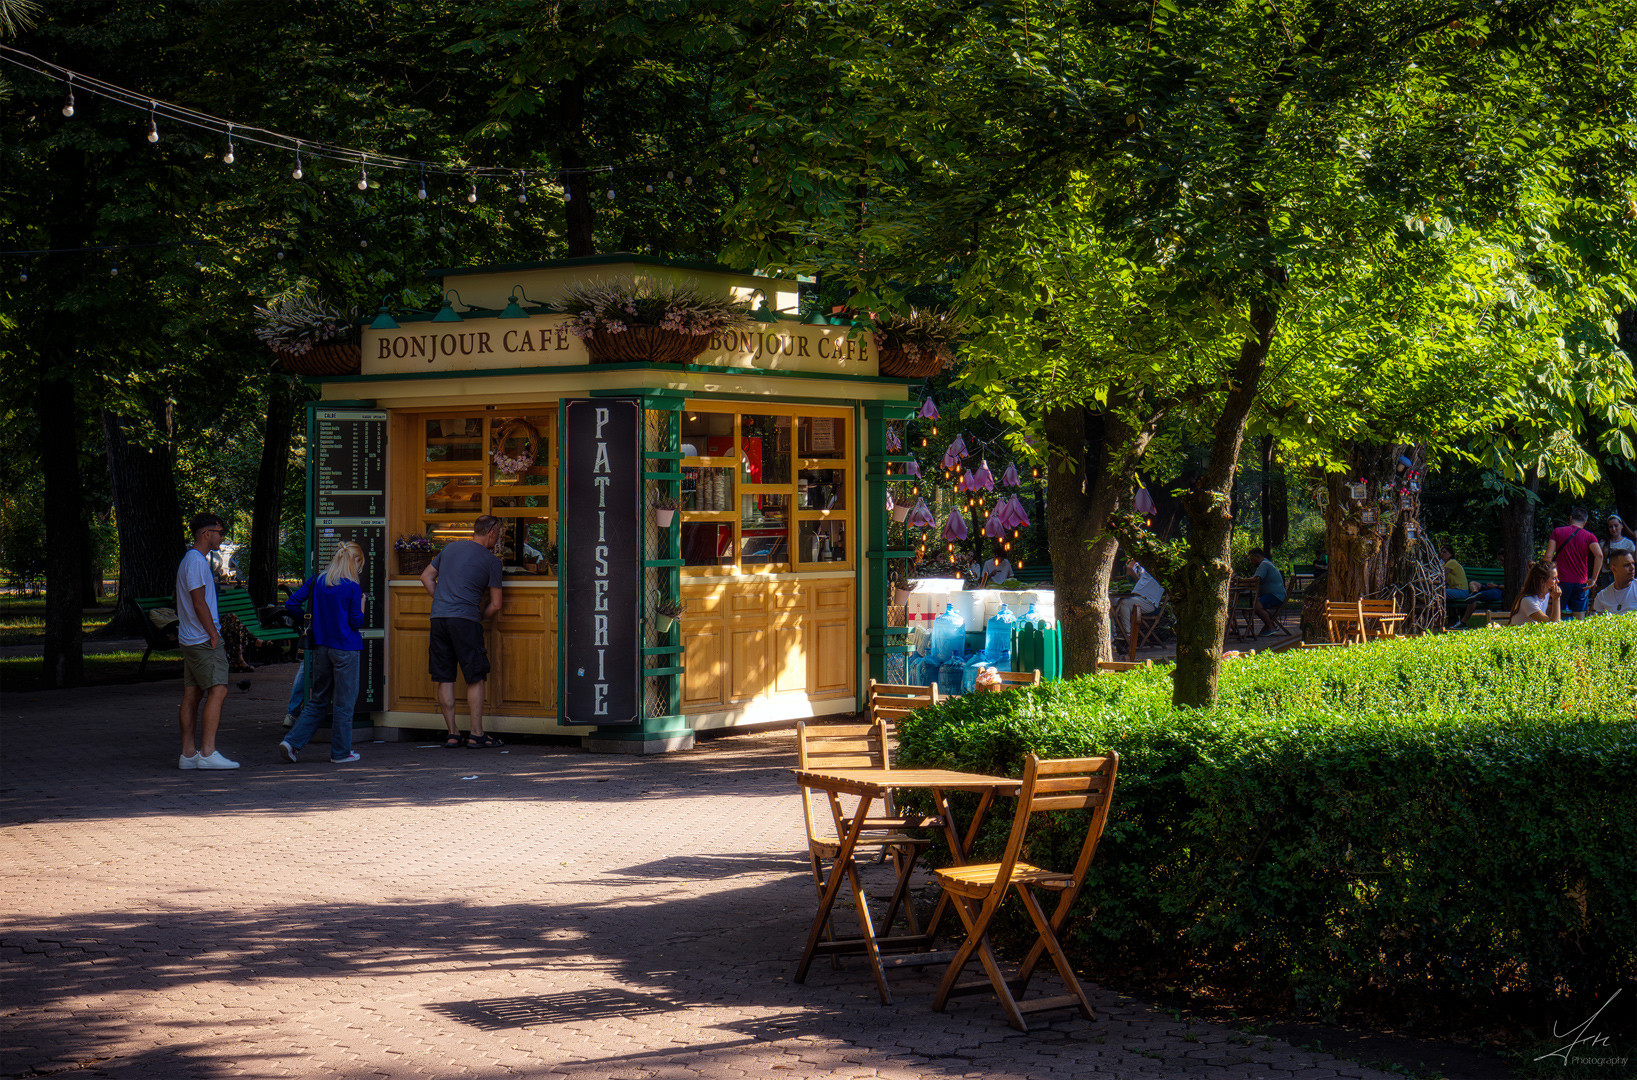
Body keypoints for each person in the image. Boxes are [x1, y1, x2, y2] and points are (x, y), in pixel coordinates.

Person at [420, 516, 505, 748]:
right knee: (475, 676)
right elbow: (496, 604)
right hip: (466, 621)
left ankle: (453, 733)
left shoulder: (449, 548)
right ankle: (476, 733)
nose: (498, 539)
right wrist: (479, 616)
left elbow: (426, 577)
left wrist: (441, 600)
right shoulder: (492, 561)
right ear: (491, 532)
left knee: (444, 677)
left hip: (439, 618)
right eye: (498, 535)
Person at [279, 542, 367, 764]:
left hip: (321, 648)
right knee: (344, 704)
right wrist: (363, 605)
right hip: (346, 648)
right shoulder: (351, 587)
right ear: (355, 562)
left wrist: (310, 623)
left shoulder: (318, 580)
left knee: (318, 700)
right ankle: (340, 753)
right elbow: (356, 622)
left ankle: (291, 742)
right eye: (360, 565)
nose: (359, 570)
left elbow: (292, 604)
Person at [175, 513, 238, 770]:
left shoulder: (191, 561)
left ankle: (189, 754)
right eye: (220, 532)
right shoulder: (196, 562)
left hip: (190, 638)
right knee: (219, 689)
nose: (221, 538)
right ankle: (208, 752)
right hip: (202, 639)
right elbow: (198, 601)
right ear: (206, 533)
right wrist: (213, 634)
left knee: (193, 693)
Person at [1543, 508, 1603, 615]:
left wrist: (1545, 578)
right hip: (1581, 583)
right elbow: (1599, 555)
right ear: (1585, 522)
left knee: (1555, 616)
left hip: (1560, 581)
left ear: (1570, 518)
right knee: (1579, 619)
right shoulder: (1590, 536)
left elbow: (1548, 556)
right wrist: (1593, 579)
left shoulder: (1557, 532)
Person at [1442, 544, 1502, 628]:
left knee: (1440, 593)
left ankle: (1473, 598)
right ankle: (1474, 594)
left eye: (1444, 552)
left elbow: (1440, 574)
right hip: (1466, 590)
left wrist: (1496, 586)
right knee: (1473, 583)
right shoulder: (1447, 564)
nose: (1442, 554)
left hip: (1463, 591)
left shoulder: (1451, 562)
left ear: (1451, 554)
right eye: (1441, 552)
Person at [1236, 548, 1285, 636]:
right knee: (1252, 604)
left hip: (1275, 596)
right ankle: (1270, 624)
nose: (1251, 562)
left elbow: (1256, 579)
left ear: (1257, 557)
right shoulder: (1266, 564)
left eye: (1252, 559)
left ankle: (1270, 627)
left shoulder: (1264, 564)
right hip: (1274, 595)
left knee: (1256, 605)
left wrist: (1241, 580)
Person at [1114, 558, 1165, 643]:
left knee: (1124, 603)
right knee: (1114, 602)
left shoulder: (1160, 574)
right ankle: (1116, 634)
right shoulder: (1148, 572)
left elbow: (1129, 569)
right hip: (1138, 599)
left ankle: (1128, 635)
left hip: (1148, 603)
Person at [1591, 549, 1637, 615]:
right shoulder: (1602, 597)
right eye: (1626, 565)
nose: (1632, 568)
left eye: (1633, 564)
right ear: (1613, 569)